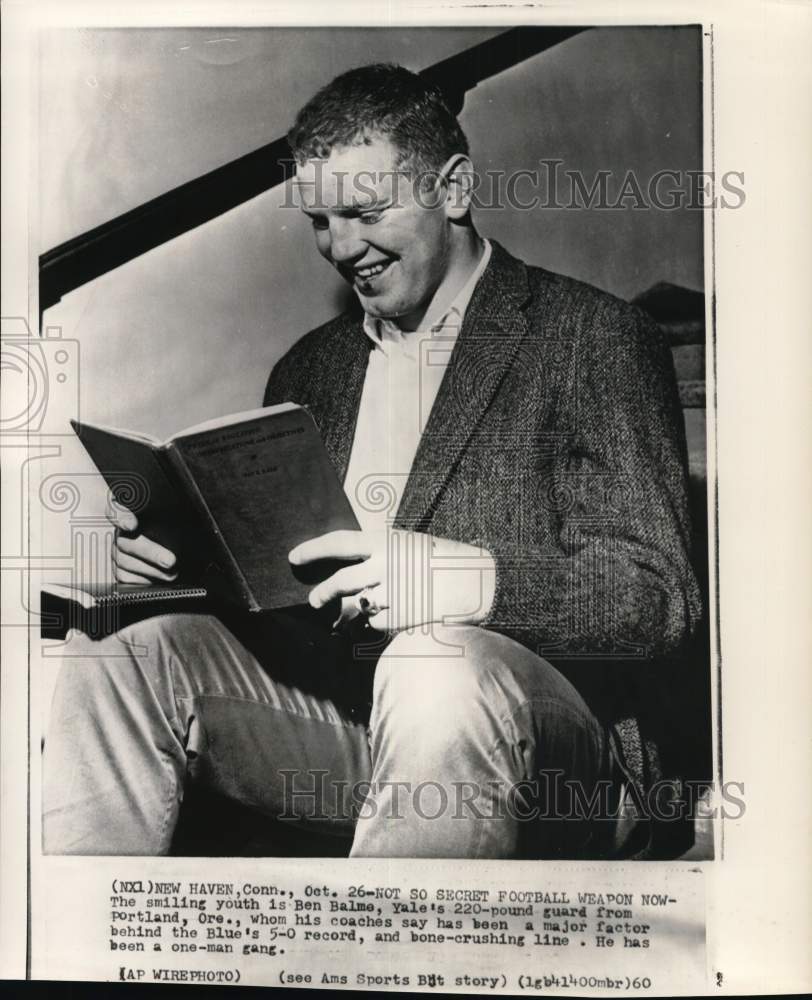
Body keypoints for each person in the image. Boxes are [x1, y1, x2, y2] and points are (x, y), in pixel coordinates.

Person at [43, 64, 701, 858]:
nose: (342, 247)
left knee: (432, 658)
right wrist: (175, 558)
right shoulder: (309, 369)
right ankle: (83, 929)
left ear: (453, 189)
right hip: (361, 728)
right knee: (117, 653)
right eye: (321, 221)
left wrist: (467, 581)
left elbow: (654, 599)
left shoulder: (594, 338)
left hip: (555, 754)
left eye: (364, 211)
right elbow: (283, 589)